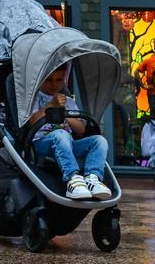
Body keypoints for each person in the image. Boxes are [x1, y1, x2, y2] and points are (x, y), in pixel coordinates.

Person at [28, 64, 112, 200]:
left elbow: (81, 129)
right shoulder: (34, 98)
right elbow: (32, 122)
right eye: (49, 80)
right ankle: (73, 178)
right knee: (61, 134)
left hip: (68, 143)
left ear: (64, 80)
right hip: (42, 142)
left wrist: (64, 113)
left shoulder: (69, 101)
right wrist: (50, 106)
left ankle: (93, 178)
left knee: (99, 140)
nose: (54, 84)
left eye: (59, 80)